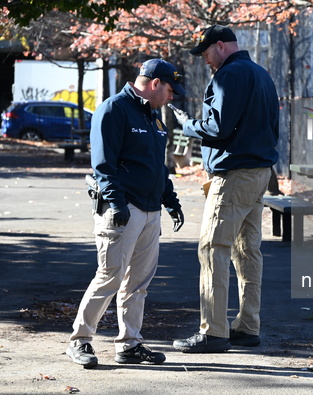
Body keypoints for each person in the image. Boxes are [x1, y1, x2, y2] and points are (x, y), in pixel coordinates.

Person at [66, 59, 186, 368]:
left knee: (138, 284)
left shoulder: (153, 116)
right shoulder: (114, 108)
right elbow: (103, 164)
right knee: (109, 277)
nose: (172, 97)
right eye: (170, 90)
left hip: (150, 210)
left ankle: (130, 344)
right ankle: (79, 340)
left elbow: (157, 166)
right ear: (155, 83)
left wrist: (169, 199)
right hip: (122, 209)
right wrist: (116, 203)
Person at [170, 24, 279, 353]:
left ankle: (213, 333)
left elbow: (217, 126)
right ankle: (247, 326)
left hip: (234, 175)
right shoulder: (262, 74)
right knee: (248, 251)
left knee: (212, 248)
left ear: (220, 46)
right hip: (260, 172)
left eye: (206, 53)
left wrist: (187, 124)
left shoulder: (229, 75)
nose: (205, 60)